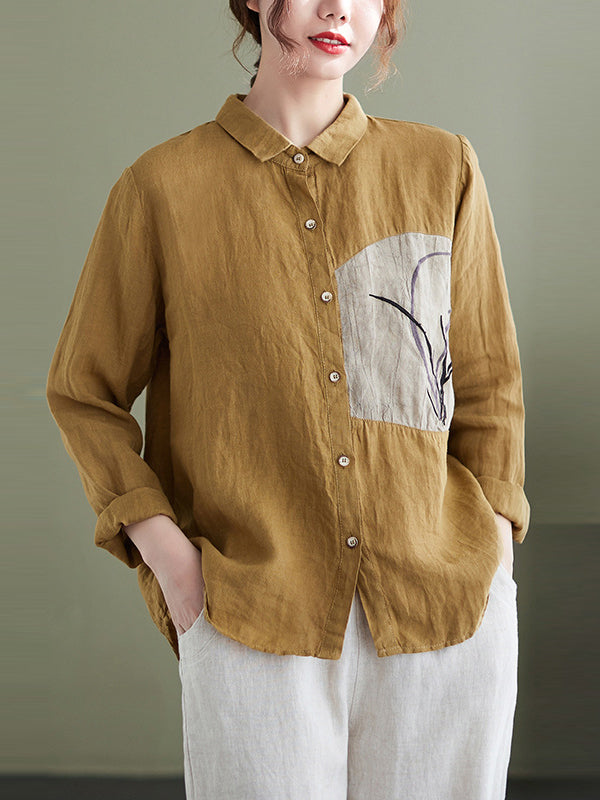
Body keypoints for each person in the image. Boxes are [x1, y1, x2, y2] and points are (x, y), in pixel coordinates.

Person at [46, 1, 531, 798]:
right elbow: (82, 392)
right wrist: (172, 562)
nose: (339, 9)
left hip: (448, 607)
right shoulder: (161, 189)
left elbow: (489, 381)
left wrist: (497, 548)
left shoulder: (442, 167)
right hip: (251, 610)